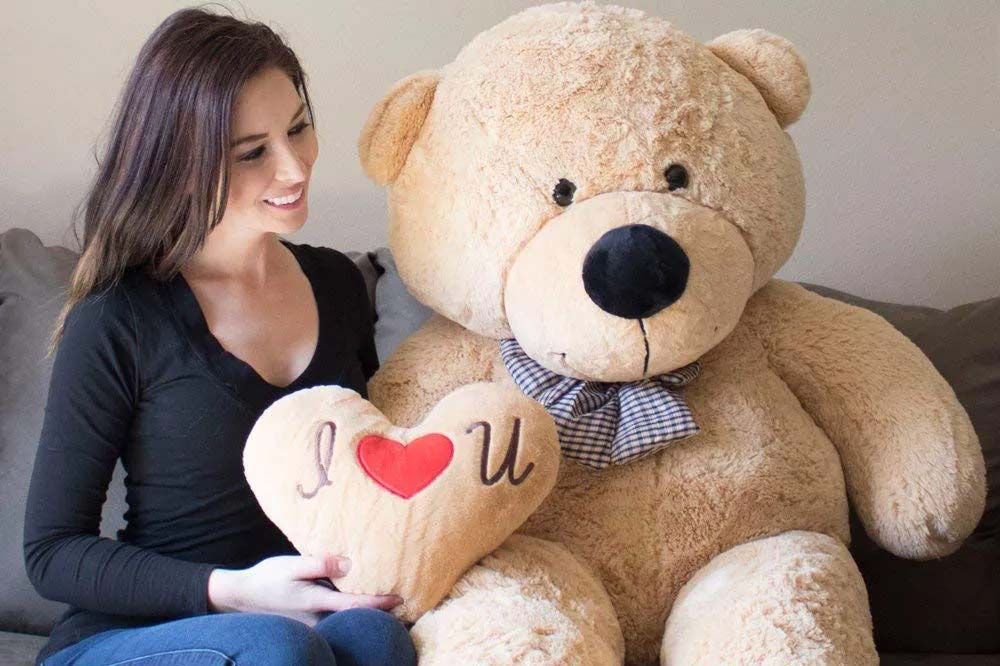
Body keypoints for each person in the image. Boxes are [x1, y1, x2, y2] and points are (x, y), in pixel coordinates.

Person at [22, 7, 418, 666]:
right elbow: (51, 551)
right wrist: (230, 592)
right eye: (253, 153)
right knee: (277, 647)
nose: (293, 169)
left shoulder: (340, 286)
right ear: (182, 163)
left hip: (294, 629)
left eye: (298, 128)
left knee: (374, 639)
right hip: (133, 636)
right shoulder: (120, 317)